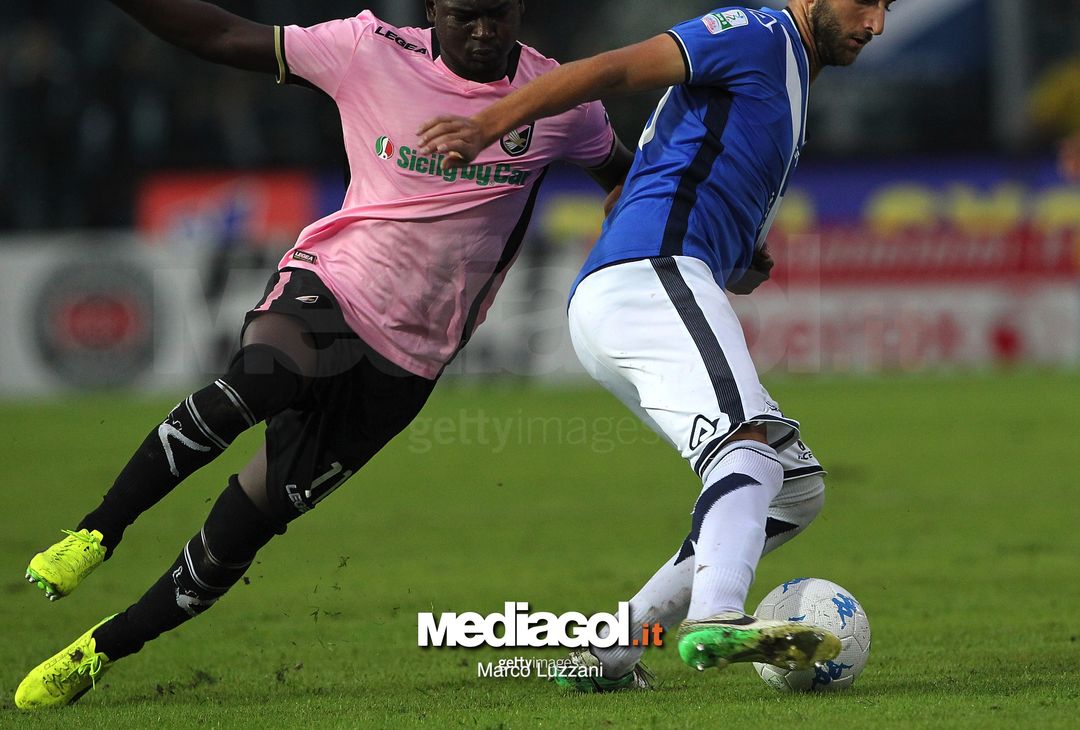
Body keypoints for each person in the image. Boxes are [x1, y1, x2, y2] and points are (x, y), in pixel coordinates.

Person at [15, 0, 634, 710]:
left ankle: (98, 650)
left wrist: (637, 209)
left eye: (498, 15)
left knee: (239, 532)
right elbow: (220, 35)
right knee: (257, 381)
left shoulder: (558, 99)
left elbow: (620, 170)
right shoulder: (367, 51)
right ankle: (96, 532)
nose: (485, 31)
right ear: (432, 10)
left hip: (408, 364)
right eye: (466, 16)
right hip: (334, 288)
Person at [419, 0, 898, 687]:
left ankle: (610, 652)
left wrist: (743, 261)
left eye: (888, 8)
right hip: (648, 279)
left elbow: (673, 183)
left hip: (639, 289)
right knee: (748, 451)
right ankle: (718, 616)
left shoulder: (788, 80)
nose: (876, 23)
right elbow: (613, 68)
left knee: (793, 487)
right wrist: (485, 125)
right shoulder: (759, 35)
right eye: (865, 2)